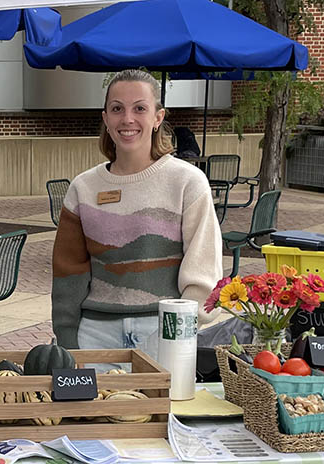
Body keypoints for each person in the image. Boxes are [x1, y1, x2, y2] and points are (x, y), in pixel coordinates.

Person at [51, 69, 224, 353]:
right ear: (105, 118)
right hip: (94, 337)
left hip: (163, 332)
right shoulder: (83, 189)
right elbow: (68, 276)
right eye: (117, 109)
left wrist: (175, 335)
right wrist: (69, 342)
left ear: (158, 117)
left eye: (139, 108)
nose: (127, 119)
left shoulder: (187, 183)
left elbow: (204, 279)